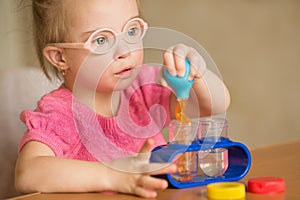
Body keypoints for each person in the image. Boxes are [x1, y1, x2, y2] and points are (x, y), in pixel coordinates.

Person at [15, 0, 230, 198]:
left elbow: (213, 104)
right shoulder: (59, 113)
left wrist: (197, 72)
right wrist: (114, 175)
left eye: (131, 30)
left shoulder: (142, 90)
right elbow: (27, 174)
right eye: (101, 40)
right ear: (60, 57)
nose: (124, 51)